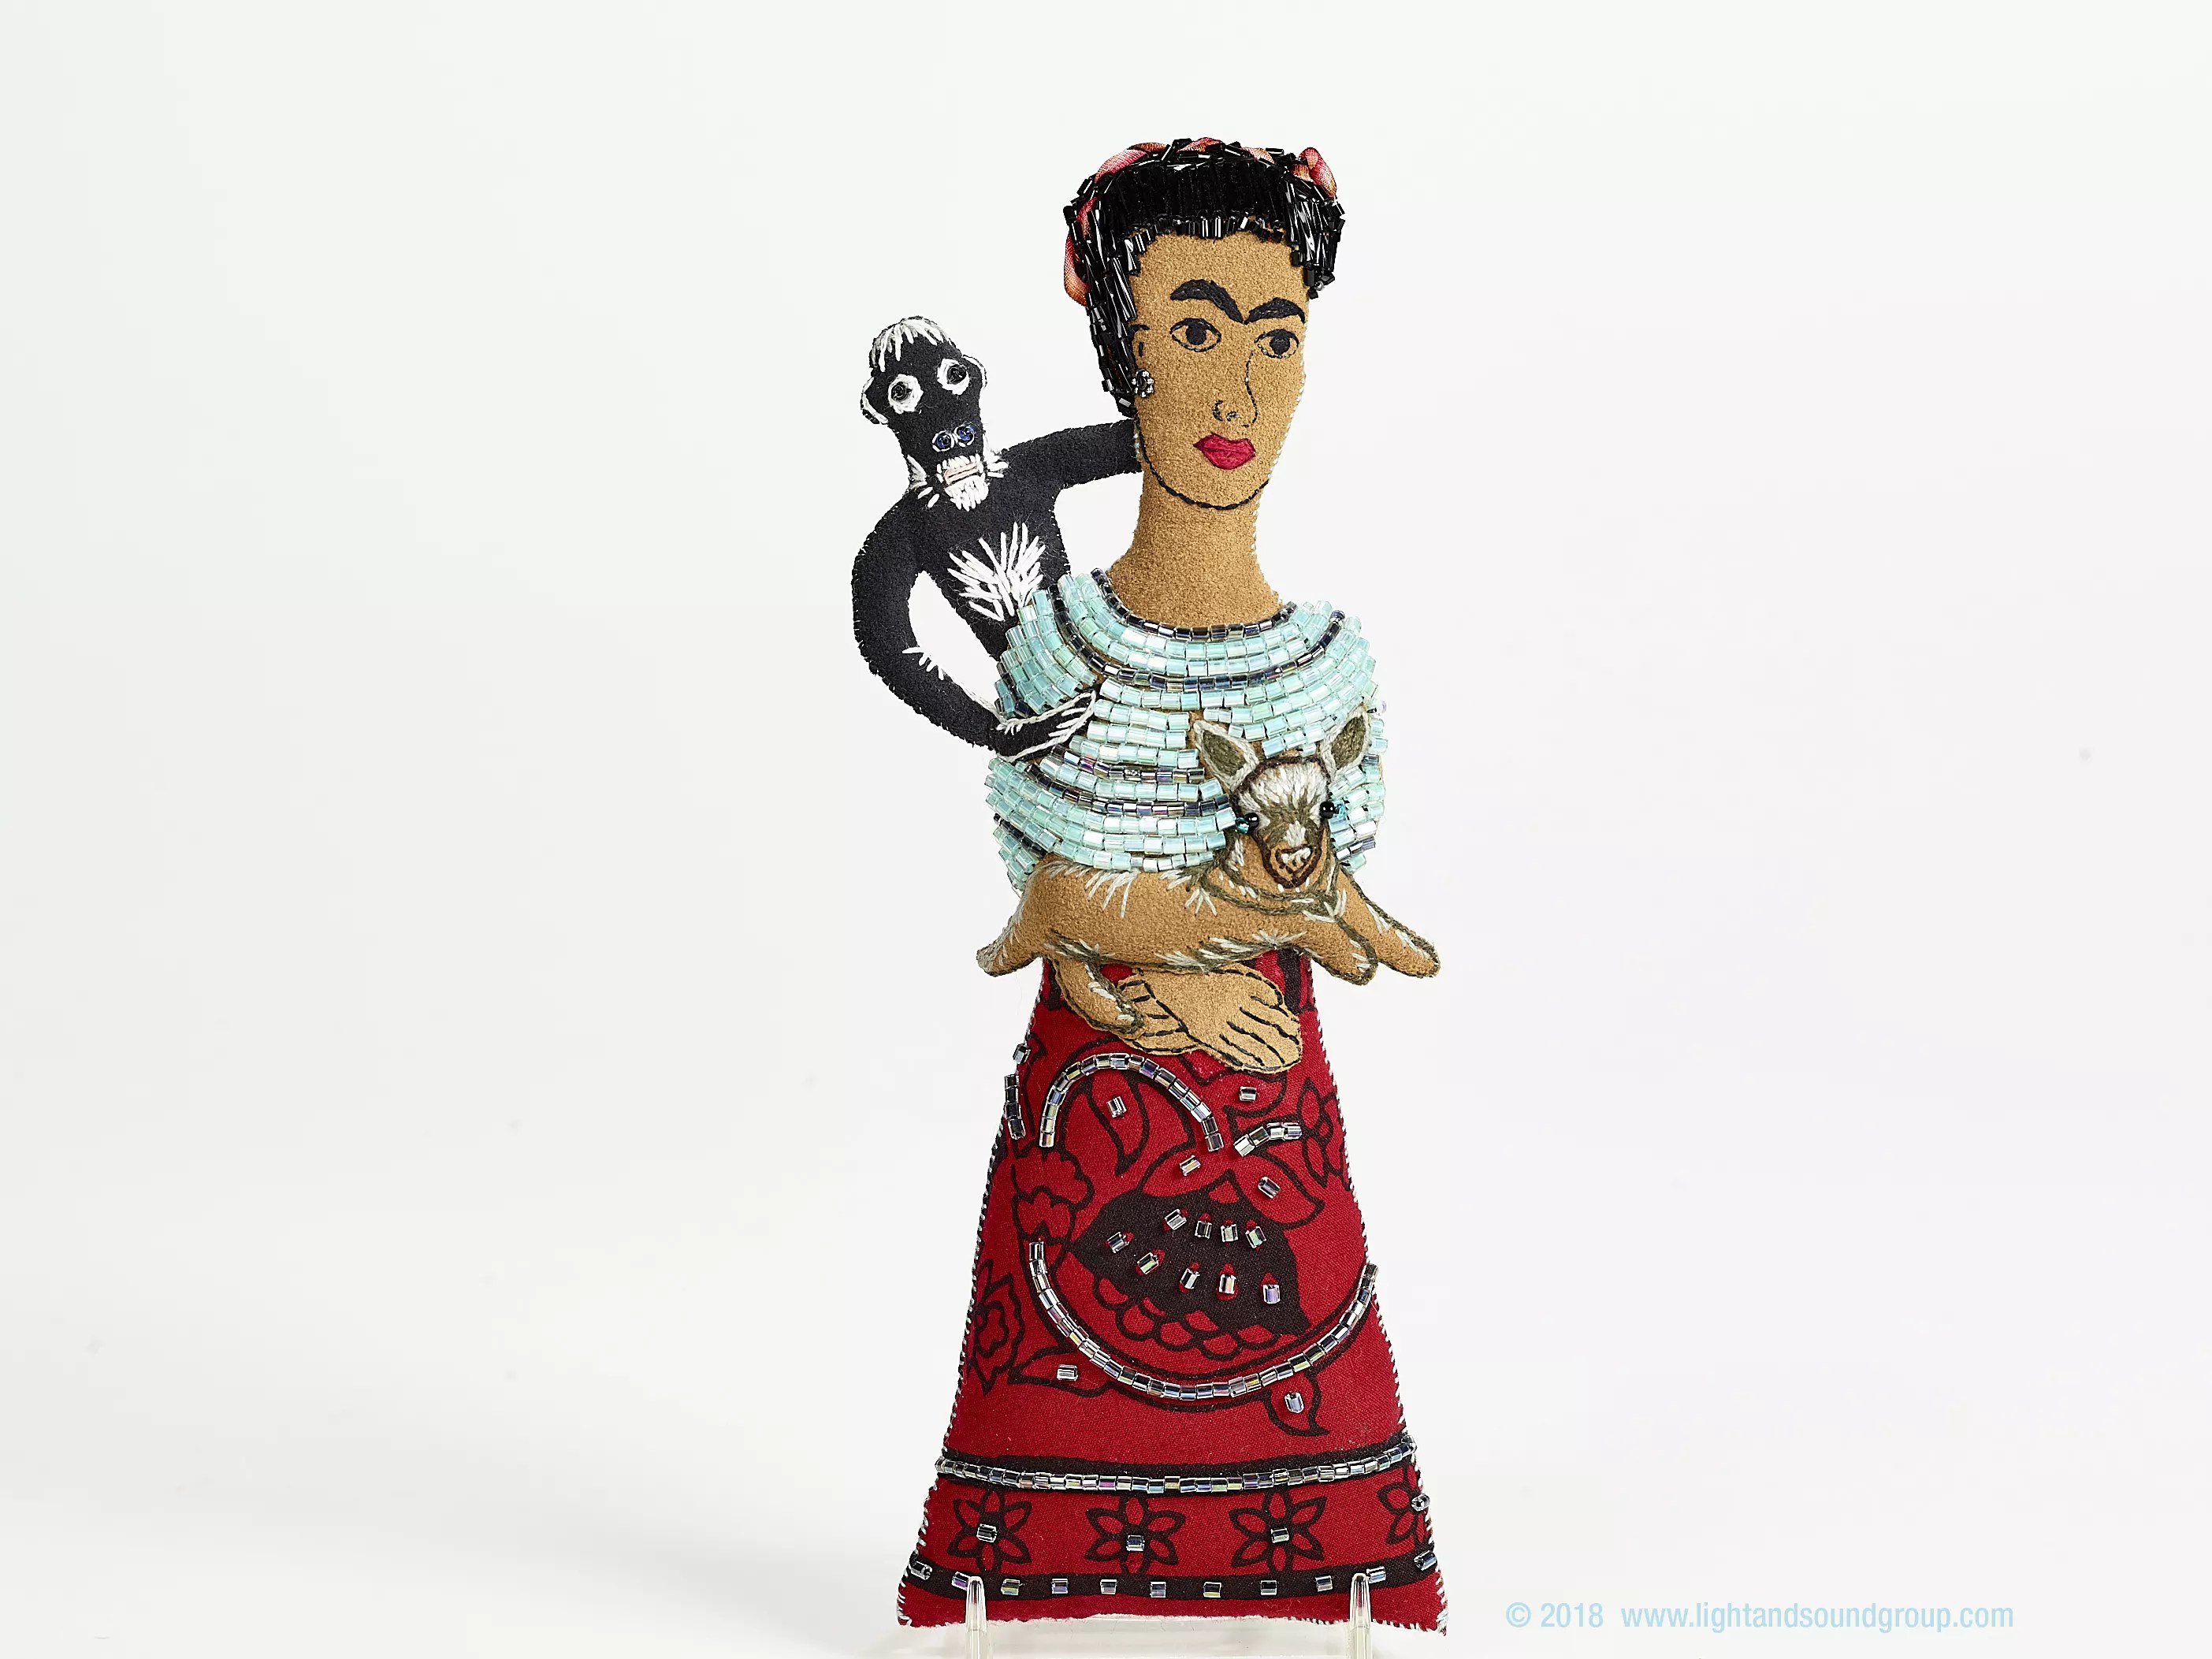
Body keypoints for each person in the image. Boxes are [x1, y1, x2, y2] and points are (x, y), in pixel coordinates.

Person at [891, 139, 1447, 1634]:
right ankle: (1022, 1549)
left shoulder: (1329, 661)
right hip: (1103, 1098)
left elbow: (1331, 889)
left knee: (1297, 1318)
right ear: (1121, 354)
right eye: (1195, 329)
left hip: (1271, 1109)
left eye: (1277, 336)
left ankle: (1323, 1551)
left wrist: (1158, 920)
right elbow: (1043, 881)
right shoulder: (1057, 647)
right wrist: (1157, 975)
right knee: (1062, 1335)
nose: (1237, 390)